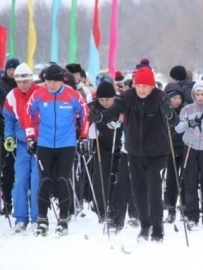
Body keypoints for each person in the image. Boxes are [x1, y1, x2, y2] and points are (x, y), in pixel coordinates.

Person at [88, 66, 179, 242]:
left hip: (157, 152)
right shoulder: (127, 96)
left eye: (146, 86)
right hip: (134, 151)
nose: (142, 89)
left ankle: (157, 229)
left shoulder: (160, 97)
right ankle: (145, 226)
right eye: (139, 85)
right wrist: (99, 118)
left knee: (153, 189)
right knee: (138, 190)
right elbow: (112, 112)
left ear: (152, 86)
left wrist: (169, 114)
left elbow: (174, 121)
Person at [24, 64, 90, 236]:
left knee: (62, 179)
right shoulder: (38, 94)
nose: (51, 85)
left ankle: (63, 219)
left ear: (61, 81)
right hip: (44, 144)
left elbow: (85, 114)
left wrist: (83, 137)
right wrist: (30, 137)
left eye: (55, 81)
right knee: (45, 180)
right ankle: (42, 219)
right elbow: (27, 114)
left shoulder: (72, 95)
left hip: (66, 144)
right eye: (48, 81)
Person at [3, 63, 44, 233]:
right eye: (19, 82)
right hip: (21, 144)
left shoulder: (40, 93)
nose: (23, 85)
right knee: (20, 180)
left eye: (25, 81)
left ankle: (36, 217)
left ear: (31, 79)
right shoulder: (12, 95)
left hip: (39, 142)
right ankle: (21, 218)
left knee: (36, 180)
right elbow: (9, 119)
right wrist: (9, 136)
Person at [175, 80, 203, 229]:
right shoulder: (187, 109)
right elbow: (178, 128)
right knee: (190, 183)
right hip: (190, 147)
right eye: (197, 94)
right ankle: (192, 216)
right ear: (193, 95)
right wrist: (189, 123)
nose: (200, 97)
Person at [88, 81, 123, 223]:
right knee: (101, 176)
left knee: (122, 178)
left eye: (108, 99)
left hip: (122, 146)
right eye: (101, 100)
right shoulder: (94, 107)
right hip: (102, 146)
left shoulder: (121, 104)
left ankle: (121, 208)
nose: (105, 103)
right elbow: (87, 124)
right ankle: (100, 209)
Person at [163, 82, 186, 223]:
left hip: (183, 148)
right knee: (171, 180)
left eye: (179, 98)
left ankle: (184, 207)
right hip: (169, 150)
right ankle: (170, 208)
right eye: (174, 98)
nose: (177, 101)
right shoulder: (164, 110)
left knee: (184, 179)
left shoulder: (184, 110)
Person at [0, 58, 20, 216]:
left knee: (12, 169)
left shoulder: (20, 86)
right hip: (2, 130)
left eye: (14, 69)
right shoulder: (1, 85)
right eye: (9, 69)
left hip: (16, 131)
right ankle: (6, 201)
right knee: (5, 168)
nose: (11, 72)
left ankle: (11, 201)